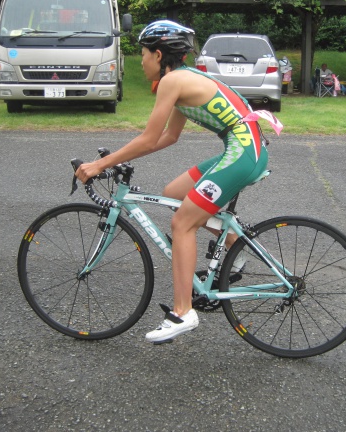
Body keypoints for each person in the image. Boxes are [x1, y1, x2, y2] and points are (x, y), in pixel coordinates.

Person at [74, 20, 274, 344]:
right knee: (174, 194)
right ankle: (235, 246)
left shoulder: (173, 81)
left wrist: (100, 164)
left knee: (182, 224)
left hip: (243, 153)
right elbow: (168, 136)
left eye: (143, 54)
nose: (141, 61)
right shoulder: (183, 79)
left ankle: (183, 312)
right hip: (244, 149)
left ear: (157, 54)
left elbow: (148, 137)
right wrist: (120, 159)